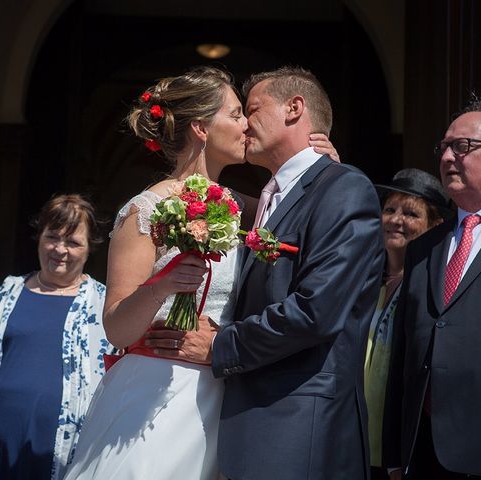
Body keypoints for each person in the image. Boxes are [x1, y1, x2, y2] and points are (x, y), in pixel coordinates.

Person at [64, 66, 339, 480]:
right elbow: (117, 328)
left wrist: (325, 173)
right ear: (200, 128)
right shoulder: (145, 209)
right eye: (234, 114)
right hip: (156, 393)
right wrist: (162, 285)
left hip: (225, 395)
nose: (246, 124)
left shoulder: (248, 208)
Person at [155, 66, 385, 480]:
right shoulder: (262, 200)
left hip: (299, 426)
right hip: (238, 420)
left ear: (294, 108)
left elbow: (317, 310)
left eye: (253, 109)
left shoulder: (344, 188)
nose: (243, 124)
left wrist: (221, 345)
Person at [0, 193, 115, 480]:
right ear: (39, 237)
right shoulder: (2, 298)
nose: (59, 249)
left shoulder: (106, 307)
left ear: (89, 248)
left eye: (72, 242)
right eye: (52, 237)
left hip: (66, 454)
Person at [383, 100, 481, 479]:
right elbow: (402, 354)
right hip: (422, 447)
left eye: (463, 147)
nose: (447, 157)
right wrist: (394, 449)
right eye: (444, 147)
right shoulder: (425, 246)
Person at [366, 168, 452, 479]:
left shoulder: (433, 292)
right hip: (352, 438)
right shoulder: (364, 281)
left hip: (398, 449)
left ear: (436, 225)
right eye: (389, 209)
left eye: (411, 213)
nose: (396, 220)